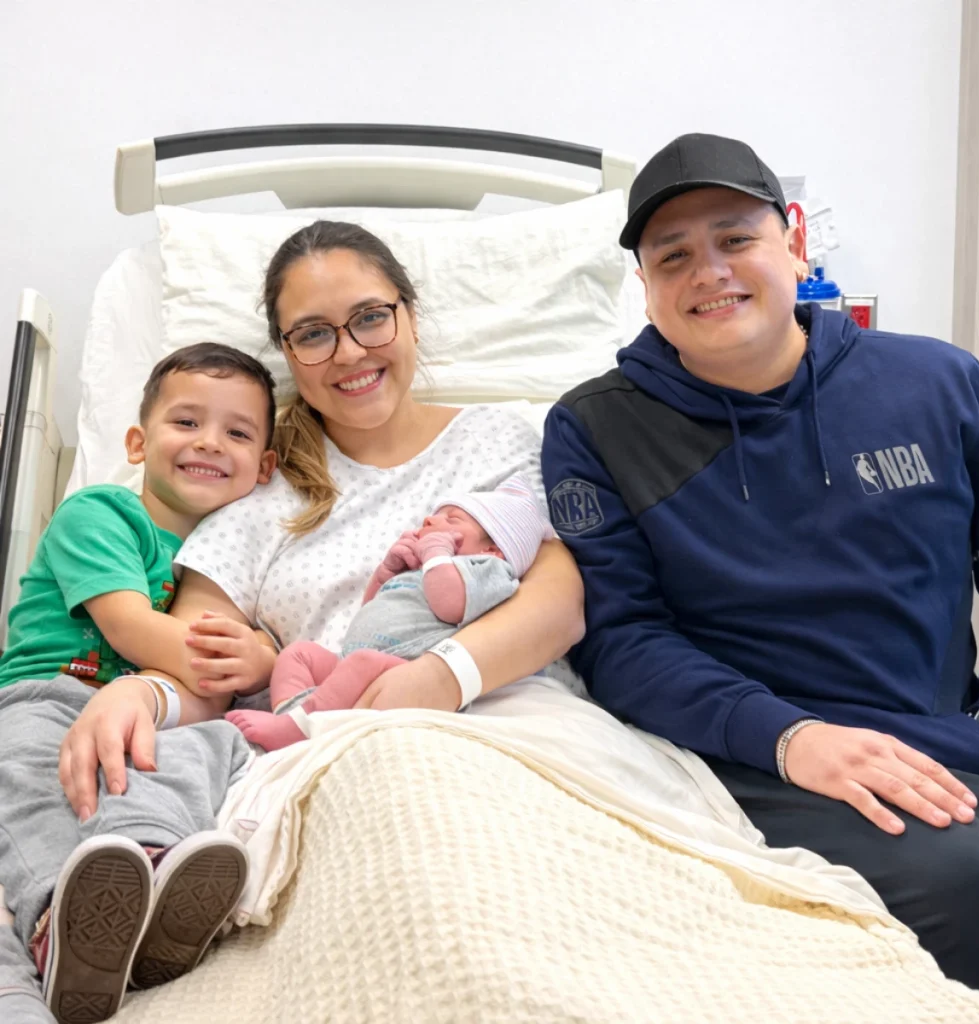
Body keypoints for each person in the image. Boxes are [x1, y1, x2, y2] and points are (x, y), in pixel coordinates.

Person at [541, 132, 979, 1011]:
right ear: (644, 286)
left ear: (793, 241)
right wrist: (791, 739)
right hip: (748, 757)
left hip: (938, 738)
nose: (708, 273)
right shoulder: (595, 428)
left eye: (735, 240)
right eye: (673, 257)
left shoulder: (941, 383)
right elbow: (623, 643)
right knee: (970, 879)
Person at [47, 220, 583, 1011]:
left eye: (371, 317)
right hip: (326, 752)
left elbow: (560, 605)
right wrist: (145, 694)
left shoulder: (504, 441)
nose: (350, 351)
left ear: (409, 315)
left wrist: (439, 680)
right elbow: (203, 662)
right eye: (314, 334)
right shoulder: (261, 485)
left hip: (509, 723)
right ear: (287, 353)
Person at [0, 343, 278, 1023]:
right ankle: (52, 923)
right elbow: (129, 626)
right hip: (50, 696)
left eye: (238, 433)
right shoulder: (100, 515)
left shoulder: (237, 558)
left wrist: (265, 658)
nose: (209, 442)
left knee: (211, 746)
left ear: (265, 467)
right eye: (186, 422)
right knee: (36, 782)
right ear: (136, 441)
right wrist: (253, 662)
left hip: (160, 716)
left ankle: (147, 872)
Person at [226, 472, 554, 751]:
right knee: (300, 654)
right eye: (434, 516)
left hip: (408, 671)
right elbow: (372, 611)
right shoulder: (428, 568)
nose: (430, 521)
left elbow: (450, 604)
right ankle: (290, 715)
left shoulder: (489, 571)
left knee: (362, 662)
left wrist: (436, 554)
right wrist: (387, 573)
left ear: (493, 548)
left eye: (452, 520)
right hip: (357, 663)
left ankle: (301, 727)